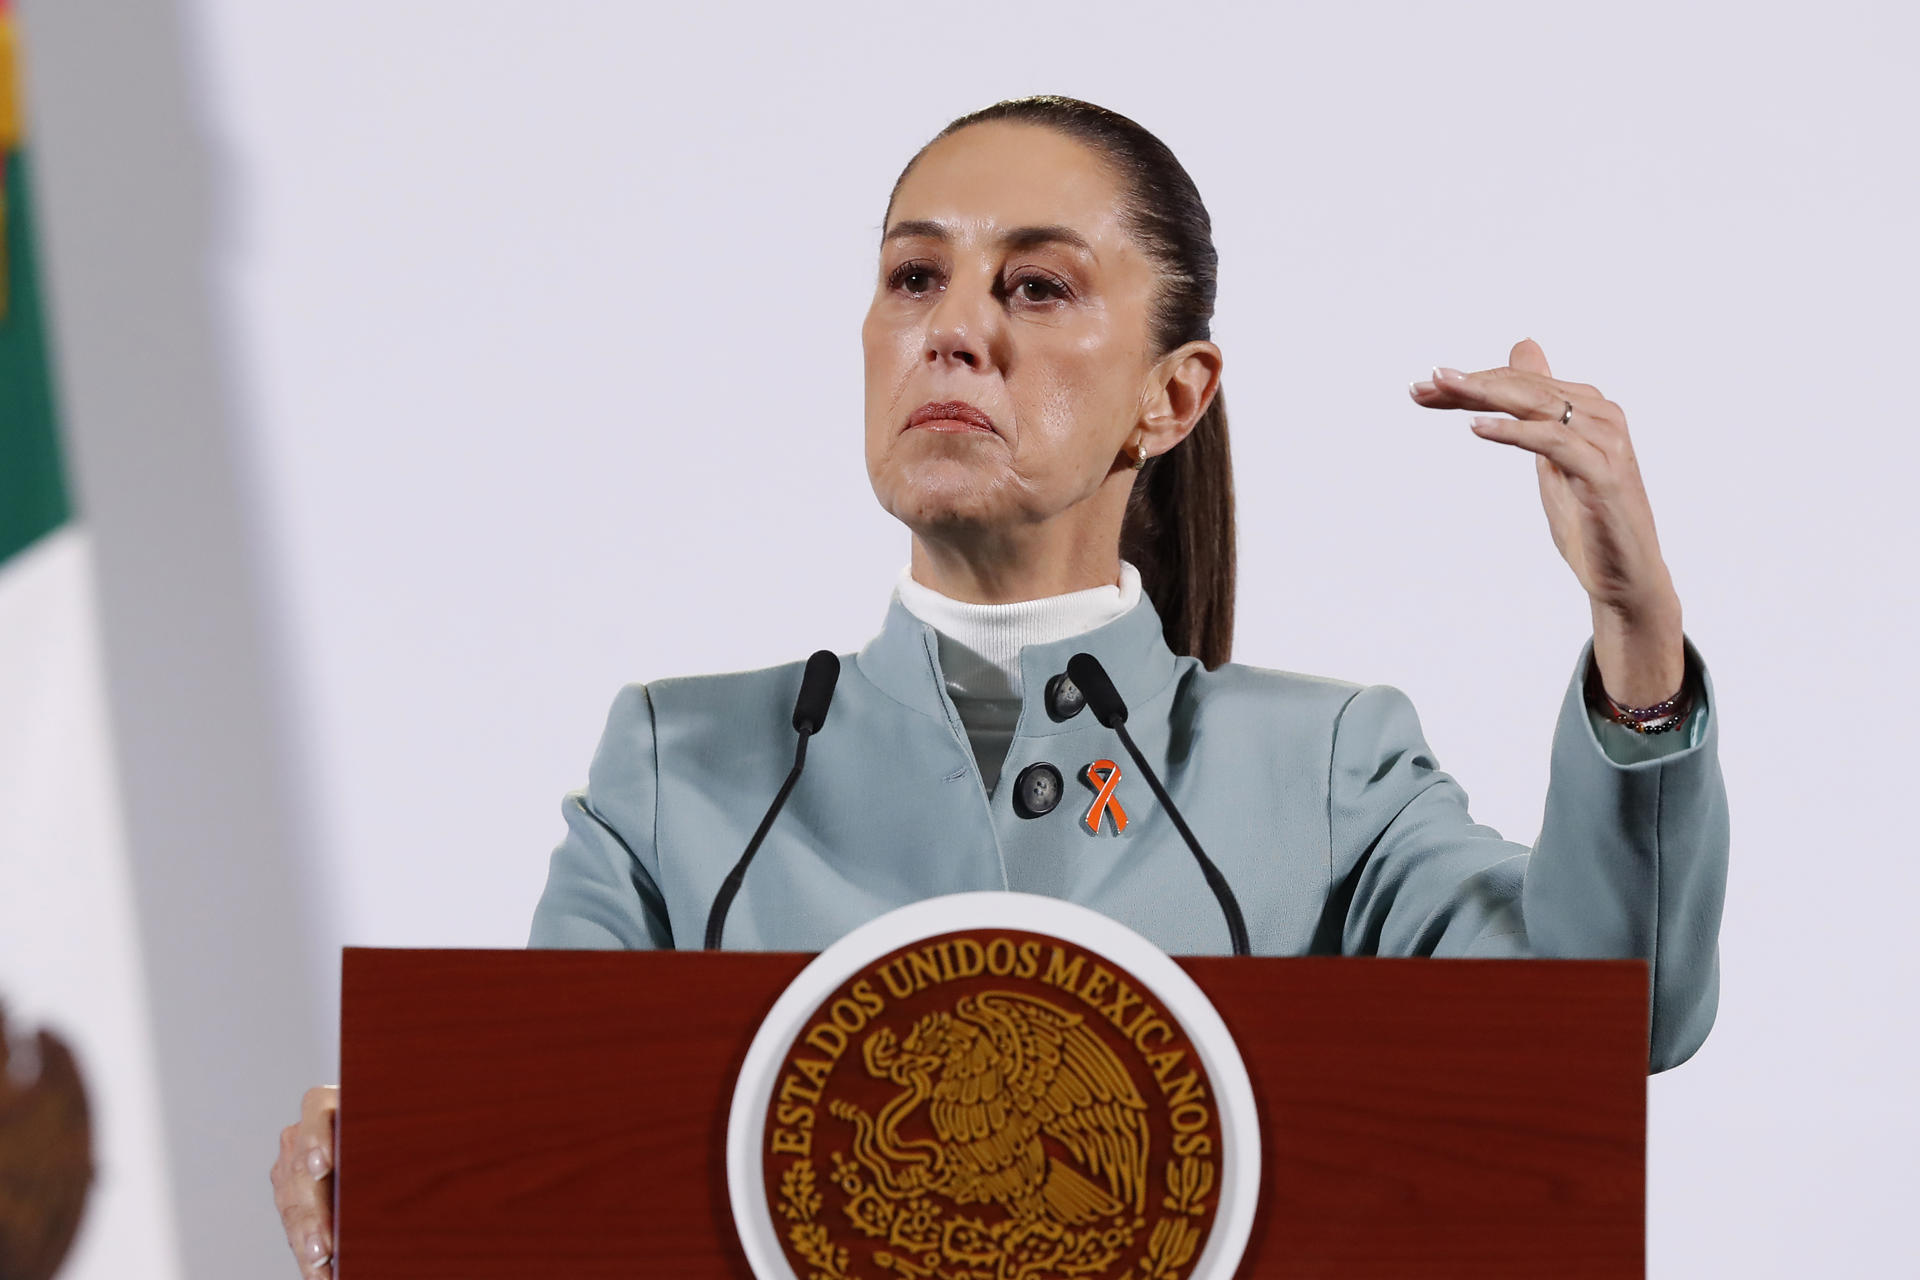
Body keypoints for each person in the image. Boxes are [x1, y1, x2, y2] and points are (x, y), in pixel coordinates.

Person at [270, 95, 1728, 1277]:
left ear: (1174, 395)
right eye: (916, 277)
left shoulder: (1325, 766)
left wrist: (1634, 629)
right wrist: (392, 1189)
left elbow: (1610, 1029)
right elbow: (547, 1182)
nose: (953, 329)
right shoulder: (679, 765)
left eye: (1035, 285)